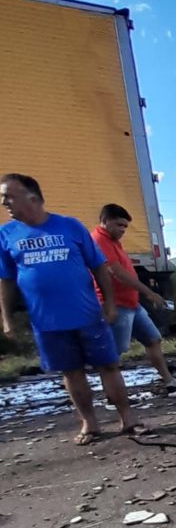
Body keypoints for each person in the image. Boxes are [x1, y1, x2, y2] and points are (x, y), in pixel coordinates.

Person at [0, 173, 143, 444]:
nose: (4, 202)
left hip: (88, 314)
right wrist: (6, 318)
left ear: (31, 197)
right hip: (47, 321)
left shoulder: (70, 227)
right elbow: (6, 279)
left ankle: (128, 419)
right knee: (71, 372)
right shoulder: (6, 235)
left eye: (8, 196)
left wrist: (109, 303)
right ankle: (90, 425)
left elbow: (98, 266)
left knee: (109, 366)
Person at [91, 203, 176, 396]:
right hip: (116, 305)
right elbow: (117, 273)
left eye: (125, 226)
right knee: (112, 354)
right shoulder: (99, 241)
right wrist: (149, 292)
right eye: (119, 225)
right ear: (105, 221)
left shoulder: (112, 240)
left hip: (131, 303)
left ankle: (170, 383)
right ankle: (113, 397)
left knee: (153, 339)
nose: (123, 230)